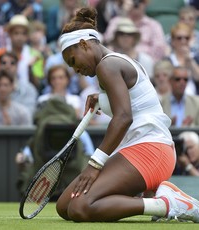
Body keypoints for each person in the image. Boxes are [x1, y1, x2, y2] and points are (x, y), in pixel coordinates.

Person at [55, 7, 199, 223]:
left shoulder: (107, 65)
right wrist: (102, 99)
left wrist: (94, 165)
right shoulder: (114, 61)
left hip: (152, 151)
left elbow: (124, 117)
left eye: (73, 61)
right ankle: (148, 194)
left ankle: (167, 204)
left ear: (84, 45)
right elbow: (138, 101)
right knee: (64, 206)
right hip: (140, 149)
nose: (76, 70)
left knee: (81, 208)